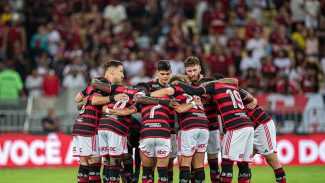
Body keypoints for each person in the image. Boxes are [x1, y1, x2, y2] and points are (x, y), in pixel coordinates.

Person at [176, 77, 255, 183]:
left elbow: (193, 91)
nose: (204, 94)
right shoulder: (233, 88)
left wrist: (178, 84)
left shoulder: (214, 86)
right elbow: (249, 97)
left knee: (226, 162)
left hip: (235, 127)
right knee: (244, 163)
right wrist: (254, 100)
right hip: (248, 125)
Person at [150, 74, 209, 183]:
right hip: (204, 126)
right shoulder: (194, 92)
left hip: (189, 126)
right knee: (199, 165)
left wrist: (148, 95)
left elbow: (170, 96)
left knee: (185, 163)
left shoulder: (176, 88)